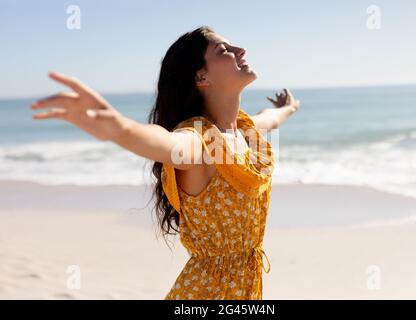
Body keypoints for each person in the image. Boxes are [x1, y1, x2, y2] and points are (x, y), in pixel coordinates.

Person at [30, 26, 300, 299]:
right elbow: (167, 143)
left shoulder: (244, 130)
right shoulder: (199, 141)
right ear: (201, 76)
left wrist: (287, 107)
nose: (240, 51)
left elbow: (271, 118)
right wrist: (120, 129)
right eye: (224, 50)